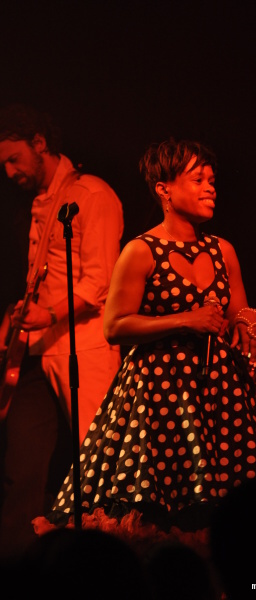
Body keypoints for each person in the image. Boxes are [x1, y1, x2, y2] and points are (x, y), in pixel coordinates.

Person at [33, 137, 256, 547]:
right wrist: (186, 319)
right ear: (163, 189)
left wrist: (250, 325)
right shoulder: (141, 251)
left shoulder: (223, 250)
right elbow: (114, 325)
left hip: (217, 394)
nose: (210, 187)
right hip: (160, 394)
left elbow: (240, 308)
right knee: (163, 507)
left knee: (232, 503)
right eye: (198, 178)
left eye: (212, 179)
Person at [0, 103, 124, 561]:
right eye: (3, 165)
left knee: (99, 459)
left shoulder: (92, 195)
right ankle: (15, 568)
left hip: (85, 347)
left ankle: (110, 560)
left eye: (14, 159)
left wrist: (49, 314)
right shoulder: (38, 204)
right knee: (23, 467)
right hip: (37, 351)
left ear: (40, 144)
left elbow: (100, 281)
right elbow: (42, 277)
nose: (9, 172)